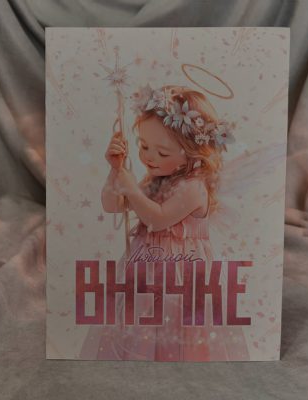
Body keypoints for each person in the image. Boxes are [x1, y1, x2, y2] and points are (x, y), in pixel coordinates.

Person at [79, 84, 249, 361]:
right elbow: (113, 205)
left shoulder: (193, 186)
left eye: (162, 153)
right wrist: (115, 170)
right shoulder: (157, 181)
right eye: (144, 146)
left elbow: (156, 219)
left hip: (181, 274)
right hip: (146, 271)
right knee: (144, 328)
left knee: (176, 330)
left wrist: (132, 189)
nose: (149, 157)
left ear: (193, 152)